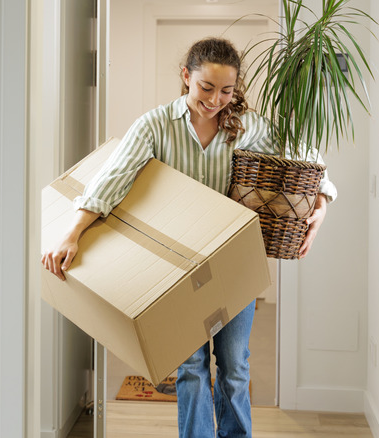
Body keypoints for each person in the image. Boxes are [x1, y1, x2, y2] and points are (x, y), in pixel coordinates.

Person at [42, 37, 337, 438]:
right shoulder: (155, 125)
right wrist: (73, 232)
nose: (216, 99)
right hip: (177, 271)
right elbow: (112, 178)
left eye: (227, 90)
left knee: (235, 366)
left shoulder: (247, 125)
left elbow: (305, 157)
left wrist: (322, 202)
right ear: (186, 77)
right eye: (206, 87)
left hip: (233, 266)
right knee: (191, 369)